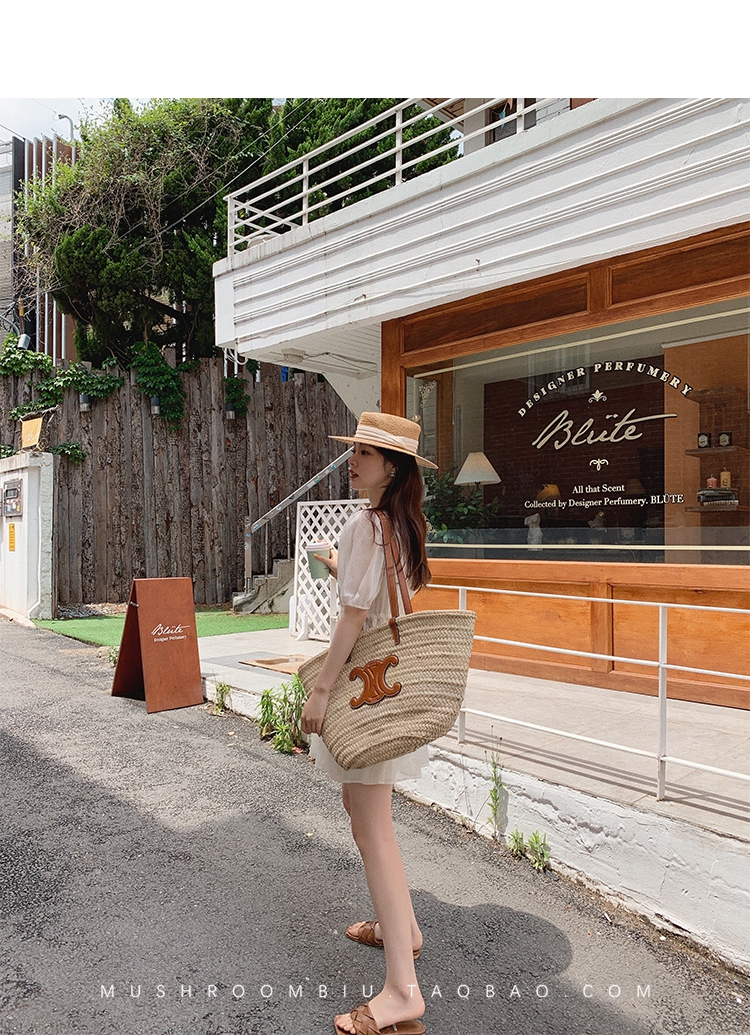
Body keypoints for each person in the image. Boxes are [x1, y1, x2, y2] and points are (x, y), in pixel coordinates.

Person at [301, 411, 437, 1035]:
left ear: (393, 468)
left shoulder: (365, 525)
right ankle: (401, 928)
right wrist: (341, 566)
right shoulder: (401, 526)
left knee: (371, 825)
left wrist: (320, 689)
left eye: (365, 453)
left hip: (363, 691)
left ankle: (402, 992)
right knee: (365, 815)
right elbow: (380, 598)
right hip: (390, 685)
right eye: (354, 449)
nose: (353, 460)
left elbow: (354, 619)